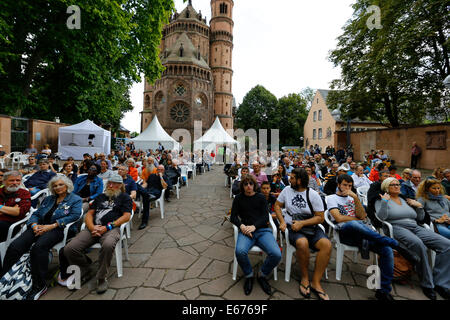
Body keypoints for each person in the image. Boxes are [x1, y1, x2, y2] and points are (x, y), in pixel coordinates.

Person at [0, 175, 82, 300]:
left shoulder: (75, 199)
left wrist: (51, 226)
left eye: (61, 184)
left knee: (38, 249)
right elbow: (36, 213)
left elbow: (74, 215)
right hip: (38, 227)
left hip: (59, 229)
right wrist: (33, 225)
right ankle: (5, 279)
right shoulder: (49, 199)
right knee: (15, 246)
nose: (58, 187)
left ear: (67, 186)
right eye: (55, 186)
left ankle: (39, 285)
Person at [375, 177, 450, 300]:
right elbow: (381, 218)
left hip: (415, 226)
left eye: (398, 184)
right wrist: (384, 202)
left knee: (447, 244)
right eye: (393, 184)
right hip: (397, 227)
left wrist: (419, 207)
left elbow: (419, 218)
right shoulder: (382, 199)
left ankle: (441, 283)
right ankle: (427, 284)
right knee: (418, 244)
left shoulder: (404, 200)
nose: (397, 186)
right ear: (386, 187)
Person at [328, 174, 399, 300]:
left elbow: (363, 216)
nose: (347, 188)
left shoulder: (352, 198)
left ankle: (383, 291)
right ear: (338, 185)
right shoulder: (331, 198)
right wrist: (356, 219)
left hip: (363, 235)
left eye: (350, 186)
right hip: (345, 233)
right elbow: (338, 218)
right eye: (344, 185)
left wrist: (355, 198)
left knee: (386, 250)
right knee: (354, 223)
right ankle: (386, 240)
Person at [59, 174, 132, 294]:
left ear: (120, 185)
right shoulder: (100, 197)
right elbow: (89, 214)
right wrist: (92, 227)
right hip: (92, 229)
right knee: (69, 248)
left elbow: (126, 216)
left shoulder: (124, 198)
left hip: (111, 229)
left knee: (108, 245)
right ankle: (85, 268)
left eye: (113, 183)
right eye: (109, 183)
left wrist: (108, 226)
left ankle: (101, 277)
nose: (110, 185)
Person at [274, 168, 331, 300]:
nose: (289, 179)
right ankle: (305, 278)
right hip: (292, 226)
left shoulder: (313, 195)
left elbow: (320, 218)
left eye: (292, 178)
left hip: (310, 227)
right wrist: (282, 221)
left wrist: (303, 223)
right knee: (302, 242)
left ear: (299, 181)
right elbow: (277, 206)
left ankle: (316, 282)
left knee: (326, 245)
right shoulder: (287, 190)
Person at [230, 174, 281, 296]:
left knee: (276, 254)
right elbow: (233, 217)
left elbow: (265, 217)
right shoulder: (238, 198)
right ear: (242, 186)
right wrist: (242, 226)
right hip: (246, 231)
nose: (248, 186)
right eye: (246, 184)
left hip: (262, 230)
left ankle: (262, 274)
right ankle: (249, 275)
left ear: (254, 185)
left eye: (251, 184)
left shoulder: (261, 198)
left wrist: (254, 227)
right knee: (240, 251)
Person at [0, 171, 31, 243]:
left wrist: (1, 209)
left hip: (12, 224)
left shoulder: (24, 193)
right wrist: (11, 210)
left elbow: (19, 212)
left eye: (18, 180)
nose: (15, 183)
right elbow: (14, 211)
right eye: (11, 180)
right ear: (4, 181)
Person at [137, 165, 169, 230]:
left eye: (161, 170)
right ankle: (145, 194)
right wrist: (142, 188)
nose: (159, 171)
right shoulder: (152, 175)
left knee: (145, 199)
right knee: (136, 185)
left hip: (156, 193)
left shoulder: (165, 177)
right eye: (158, 169)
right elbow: (146, 184)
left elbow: (165, 187)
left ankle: (144, 222)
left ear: (163, 170)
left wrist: (161, 178)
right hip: (148, 191)